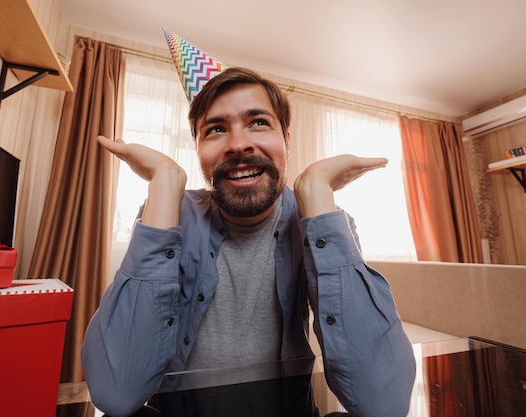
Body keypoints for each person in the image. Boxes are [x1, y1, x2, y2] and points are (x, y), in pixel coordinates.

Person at [81, 31, 415, 417]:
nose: (238, 144)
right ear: (199, 151)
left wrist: (317, 191)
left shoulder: (320, 222)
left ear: (286, 139)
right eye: (216, 129)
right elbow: (116, 393)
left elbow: (382, 404)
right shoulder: (170, 213)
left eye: (258, 123)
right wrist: (163, 183)